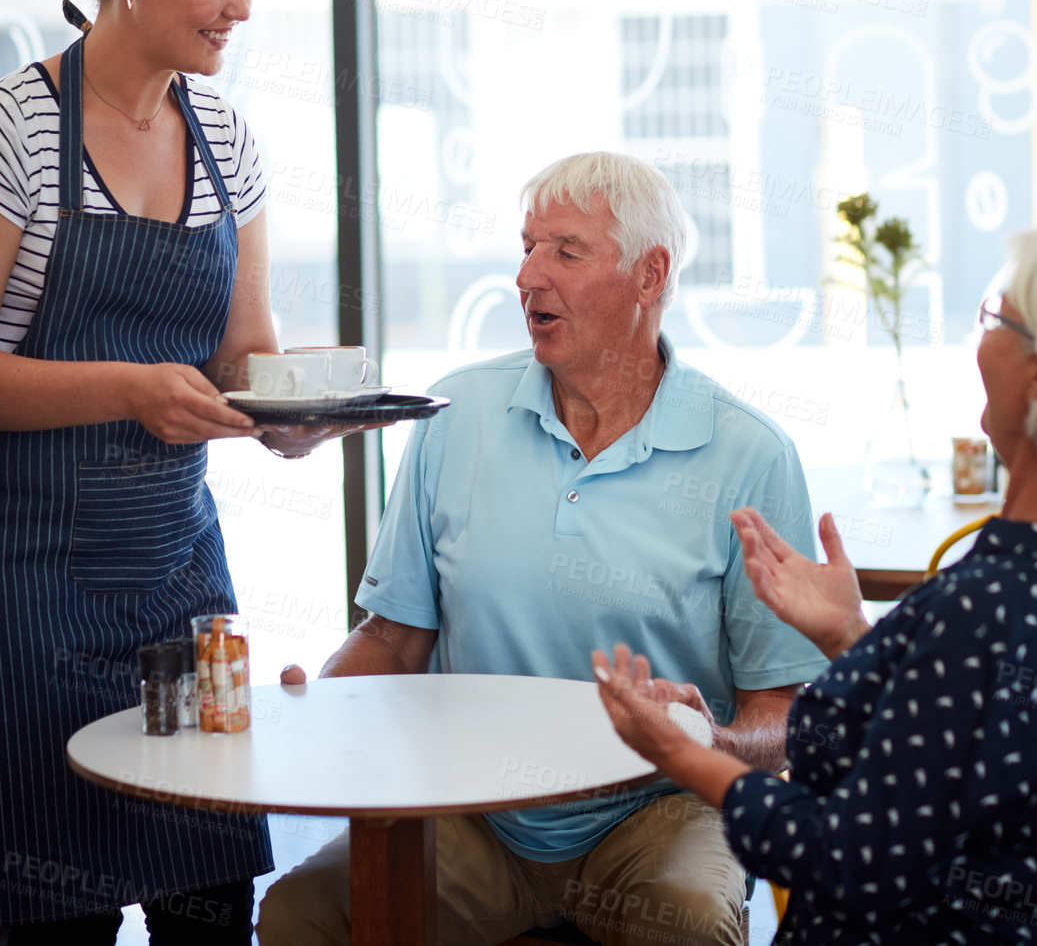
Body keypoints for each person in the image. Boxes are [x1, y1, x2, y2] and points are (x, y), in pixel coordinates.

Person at [257, 150, 825, 946]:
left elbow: (787, 714)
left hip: (658, 810)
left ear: (650, 276)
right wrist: (318, 711)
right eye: (525, 246)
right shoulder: (456, 418)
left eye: (564, 250)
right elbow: (393, 638)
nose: (527, 275)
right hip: (474, 811)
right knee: (298, 914)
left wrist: (717, 743)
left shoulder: (749, 455)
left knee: (690, 923)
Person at [595, 222, 1037, 945]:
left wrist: (682, 755)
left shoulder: (981, 609)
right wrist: (852, 634)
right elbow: (1000, 739)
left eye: (995, 317)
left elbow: (849, 860)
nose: (977, 338)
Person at [1, 0, 297, 939]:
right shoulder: (19, 129)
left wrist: (295, 407)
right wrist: (129, 388)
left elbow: (241, 353)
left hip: (178, 580)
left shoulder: (225, 136)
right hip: (27, 587)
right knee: (51, 906)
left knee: (209, 896)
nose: (242, 9)